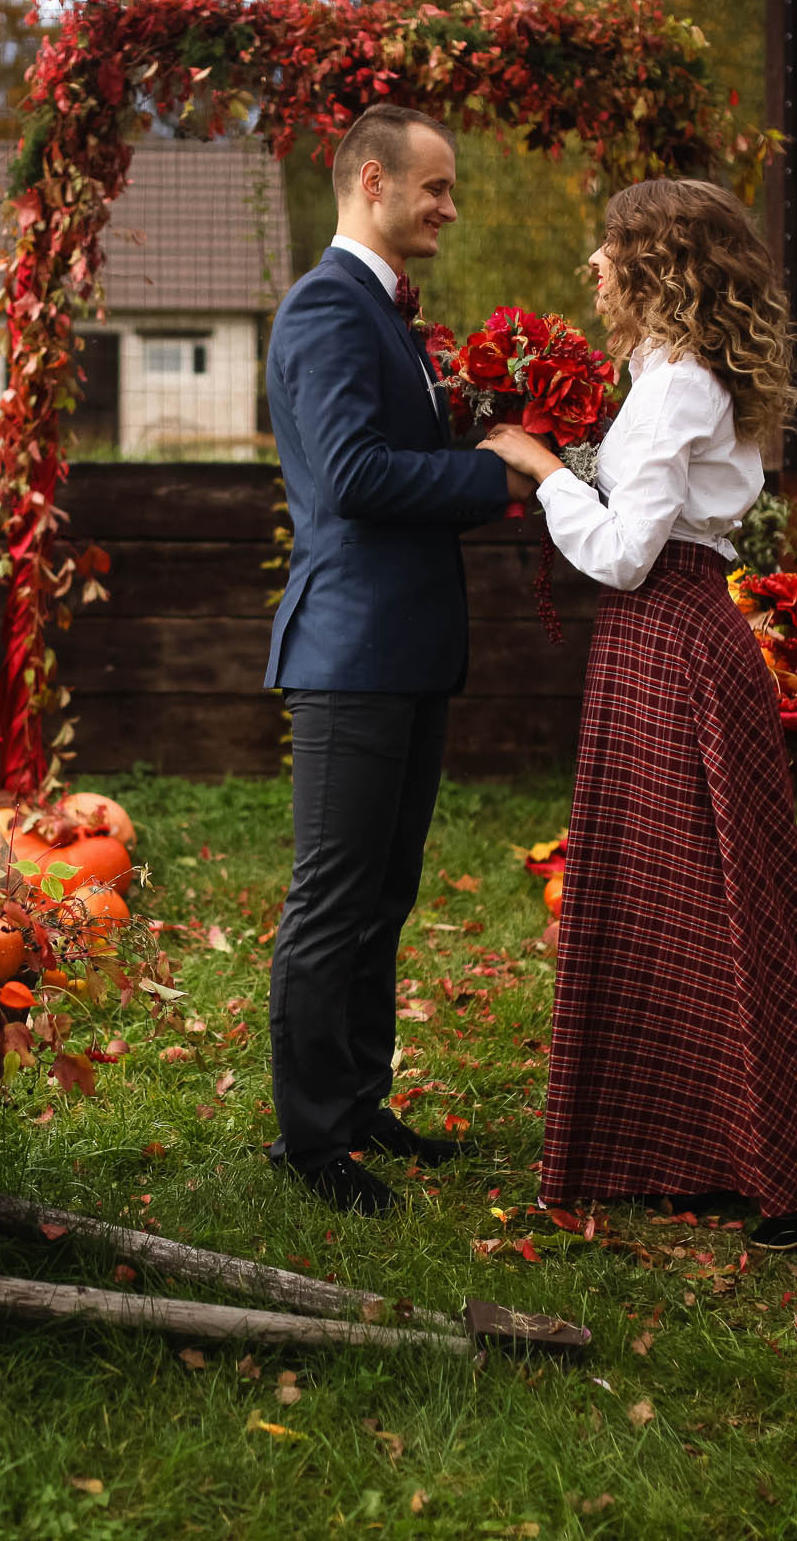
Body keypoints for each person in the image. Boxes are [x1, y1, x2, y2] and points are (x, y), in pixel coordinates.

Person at [483, 177, 797, 1251]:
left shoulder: (678, 388)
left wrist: (541, 466)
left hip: (671, 637)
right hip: (663, 640)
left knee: (720, 900)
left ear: (658, 266)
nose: (593, 267)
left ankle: (796, 1177)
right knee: (669, 899)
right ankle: (697, 1150)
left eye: (609, 249)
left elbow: (622, 552)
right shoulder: (665, 375)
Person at [261, 104, 538, 1215]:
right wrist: (500, 476)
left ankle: (358, 1102)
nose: (449, 208)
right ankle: (310, 1142)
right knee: (333, 898)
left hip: (407, 648)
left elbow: (398, 454)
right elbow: (354, 476)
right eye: (436, 187)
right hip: (353, 651)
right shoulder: (329, 306)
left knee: (384, 893)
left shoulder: (390, 313)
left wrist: (500, 428)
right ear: (372, 182)